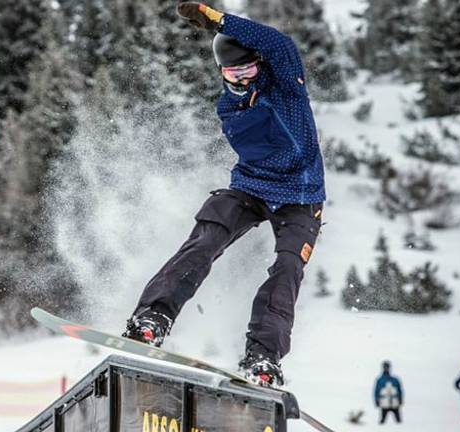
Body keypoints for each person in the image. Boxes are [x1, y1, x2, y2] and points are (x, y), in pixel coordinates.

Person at [121, 2, 325, 387]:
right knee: (207, 237)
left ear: (260, 65)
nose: (244, 78)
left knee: (287, 269)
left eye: (249, 69)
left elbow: (278, 43)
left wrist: (219, 21)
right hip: (251, 186)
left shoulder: (286, 85)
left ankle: (262, 357)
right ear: (222, 72)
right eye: (235, 72)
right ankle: (153, 316)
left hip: (302, 195)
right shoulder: (228, 107)